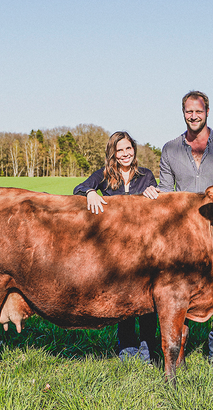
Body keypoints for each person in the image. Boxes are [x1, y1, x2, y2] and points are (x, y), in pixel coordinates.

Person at [143, 90, 213, 365]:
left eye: (198, 111)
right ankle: (169, 350)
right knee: (173, 289)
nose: (193, 116)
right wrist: (154, 194)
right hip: (183, 232)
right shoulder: (170, 148)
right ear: (183, 113)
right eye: (189, 111)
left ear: (207, 112)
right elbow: (166, 190)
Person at [73, 131, 158, 362]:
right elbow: (79, 188)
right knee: (125, 299)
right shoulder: (104, 176)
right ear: (113, 153)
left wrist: (154, 192)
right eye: (120, 150)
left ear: (134, 150)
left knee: (148, 300)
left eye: (128, 149)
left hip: (144, 247)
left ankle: (148, 347)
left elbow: (157, 208)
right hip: (116, 248)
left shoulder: (146, 175)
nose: (125, 154)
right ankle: (127, 348)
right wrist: (90, 192)